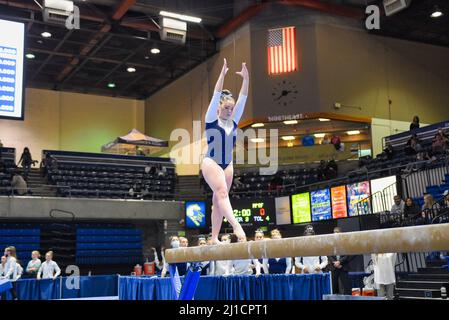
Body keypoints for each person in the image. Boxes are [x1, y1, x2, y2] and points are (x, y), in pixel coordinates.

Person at [201, 58, 248, 244]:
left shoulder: (234, 121)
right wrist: (222, 74)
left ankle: (213, 238)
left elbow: (243, 98)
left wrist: (246, 79)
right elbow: (215, 94)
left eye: (231, 108)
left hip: (227, 163)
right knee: (221, 193)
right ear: (219, 108)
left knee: (218, 202)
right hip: (211, 162)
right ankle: (237, 226)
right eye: (226, 108)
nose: (230, 111)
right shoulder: (212, 118)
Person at [327, 227, 352, 295]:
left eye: (337, 232)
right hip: (334, 267)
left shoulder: (345, 242)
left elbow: (347, 255)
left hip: (343, 266)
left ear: (341, 233)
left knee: (346, 287)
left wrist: (339, 262)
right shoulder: (330, 243)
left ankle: (348, 298)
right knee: (333, 287)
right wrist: (335, 262)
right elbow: (329, 255)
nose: (335, 233)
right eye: (334, 232)